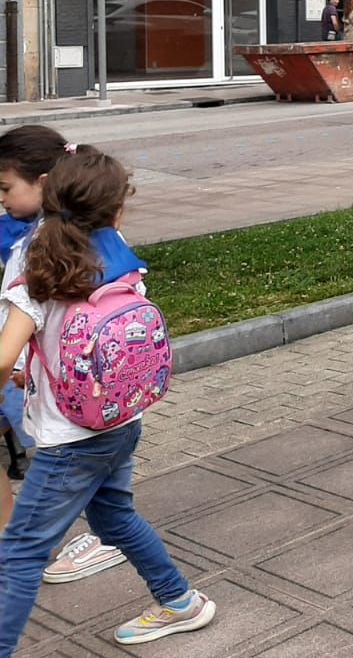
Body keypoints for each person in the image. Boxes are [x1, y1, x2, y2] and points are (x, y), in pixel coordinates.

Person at [0, 148, 218, 652]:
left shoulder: (35, 258)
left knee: (20, 553)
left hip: (68, 440)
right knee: (114, 517)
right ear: (115, 211)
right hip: (121, 417)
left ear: (49, 191)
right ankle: (180, 602)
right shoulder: (115, 248)